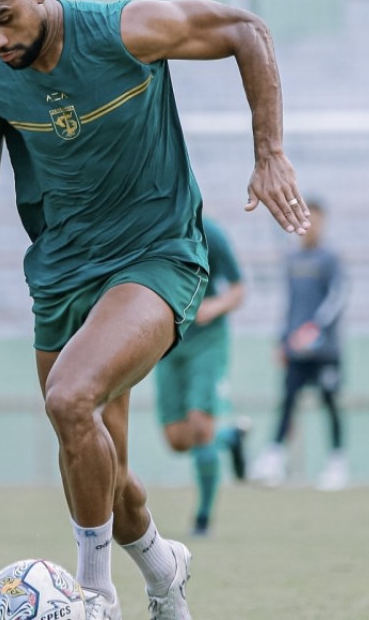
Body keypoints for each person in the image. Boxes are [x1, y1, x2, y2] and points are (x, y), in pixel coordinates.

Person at [0, 0, 309, 620]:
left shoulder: (125, 31)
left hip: (154, 256)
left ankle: (95, 600)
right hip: (62, 274)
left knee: (68, 399)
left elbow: (246, 29)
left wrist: (269, 152)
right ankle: (163, 570)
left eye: (3, 19)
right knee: (104, 473)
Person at [149, 216, 247, 537]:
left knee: (200, 426)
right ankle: (229, 439)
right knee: (177, 440)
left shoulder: (211, 234)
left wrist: (213, 307)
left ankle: (203, 520)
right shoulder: (150, 229)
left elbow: (238, 290)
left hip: (207, 341)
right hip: (170, 339)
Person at [249, 197, 348, 491]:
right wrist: (283, 339)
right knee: (288, 401)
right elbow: (290, 305)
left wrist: (315, 328)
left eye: (316, 221)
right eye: (306, 221)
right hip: (296, 350)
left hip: (325, 350)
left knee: (329, 403)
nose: (310, 228)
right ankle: (273, 459)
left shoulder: (330, 259)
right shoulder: (292, 261)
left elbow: (337, 299)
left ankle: (336, 463)